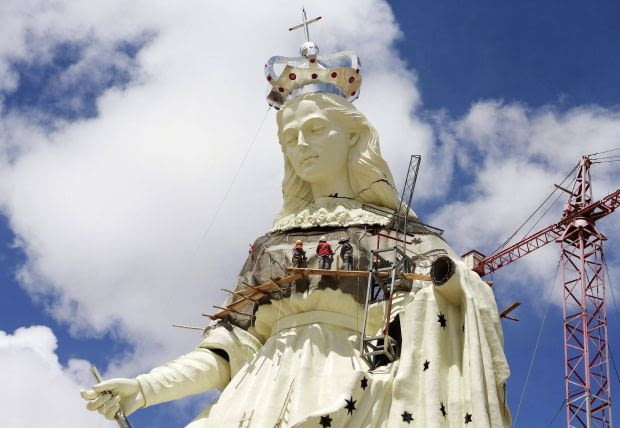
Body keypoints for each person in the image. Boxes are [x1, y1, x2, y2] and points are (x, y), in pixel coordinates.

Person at [81, 92, 511, 427]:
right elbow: (228, 352)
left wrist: (453, 285)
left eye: (316, 128)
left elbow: (446, 299)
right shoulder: (272, 245)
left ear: (354, 137)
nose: (301, 144)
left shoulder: (399, 235)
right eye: (289, 137)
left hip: (358, 391)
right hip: (256, 400)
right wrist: (143, 389)